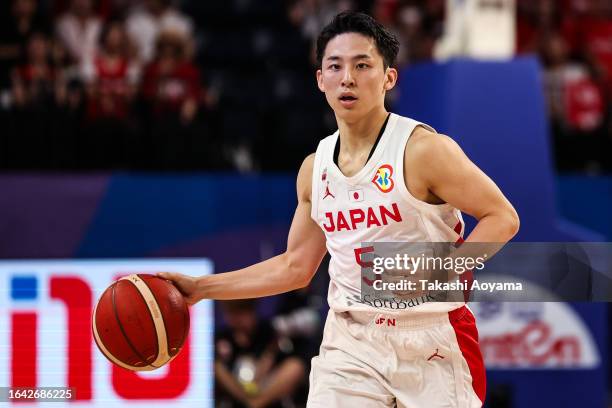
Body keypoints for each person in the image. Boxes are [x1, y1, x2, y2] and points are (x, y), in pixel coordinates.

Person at [158, 11, 519, 407]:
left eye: (362, 65)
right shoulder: (315, 169)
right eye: (335, 66)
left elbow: (502, 217)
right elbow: (294, 268)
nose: (347, 77)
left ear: (388, 78)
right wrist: (202, 289)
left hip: (432, 335)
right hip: (351, 343)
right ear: (320, 80)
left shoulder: (425, 151)